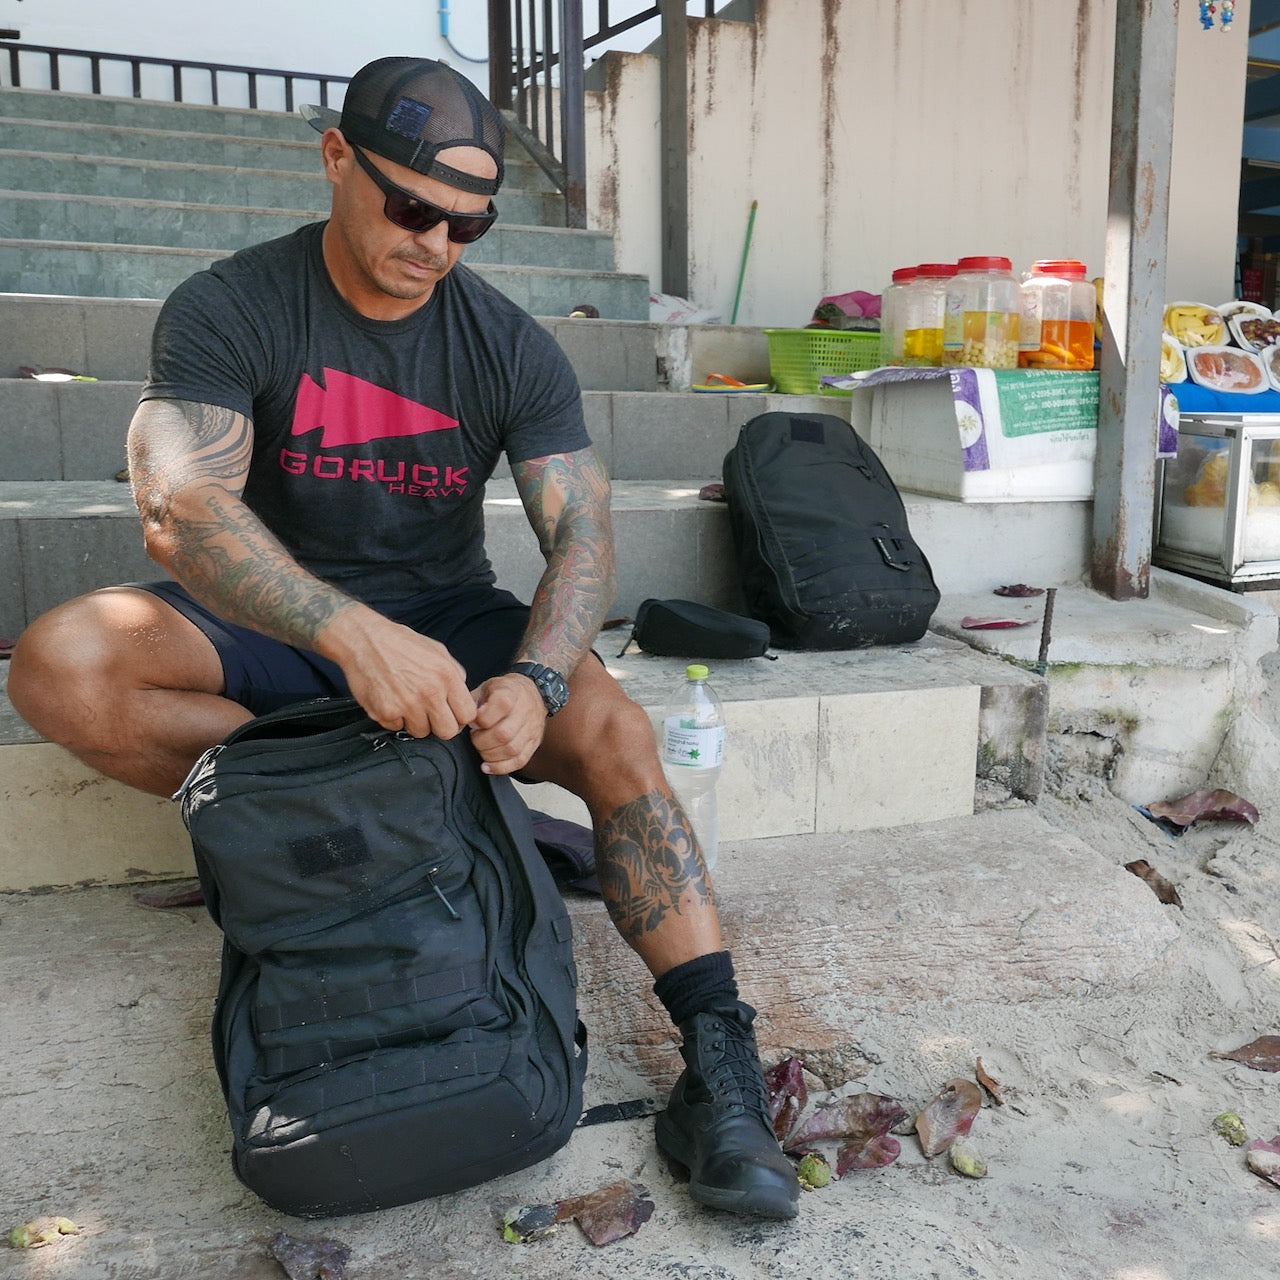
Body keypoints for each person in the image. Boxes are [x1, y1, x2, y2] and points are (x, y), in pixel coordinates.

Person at [7, 57, 798, 1220]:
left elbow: (582, 538)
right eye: (411, 205)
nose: (435, 241)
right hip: (274, 616)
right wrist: (342, 627)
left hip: (448, 616)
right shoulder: (233, 304)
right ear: (336, 158)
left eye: (467, 223)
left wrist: (531, 674)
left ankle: (717, 1058)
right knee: (61, 664)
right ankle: (386, 810)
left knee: (615, 732)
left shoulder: (508, 344)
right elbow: (180, 507)